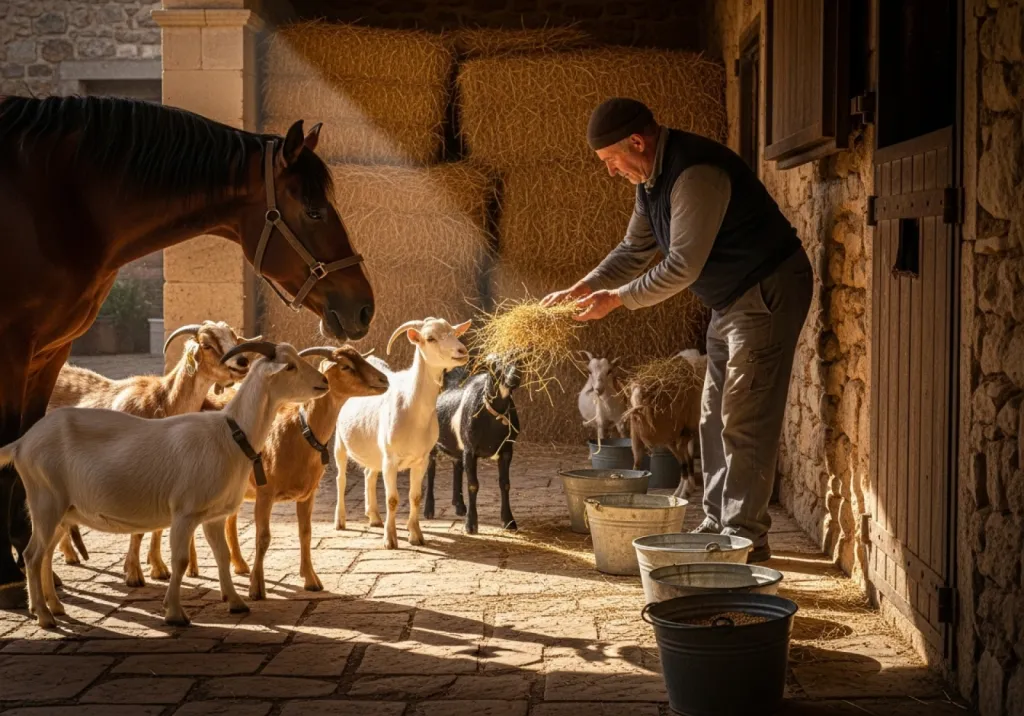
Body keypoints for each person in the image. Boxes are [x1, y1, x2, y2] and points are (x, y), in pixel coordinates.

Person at [542, 97, 812, 562]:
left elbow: (682, 266)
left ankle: (744, 539)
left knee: (744, 417)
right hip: (729, 301)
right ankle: (716, 520)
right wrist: (584, 286)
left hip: (765, 293)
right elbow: (633, 250)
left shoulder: (696, 174)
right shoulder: (650, 181)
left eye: (611, 160)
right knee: (712, 417)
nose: (610, 171)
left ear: (636, 141)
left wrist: (618, 300)